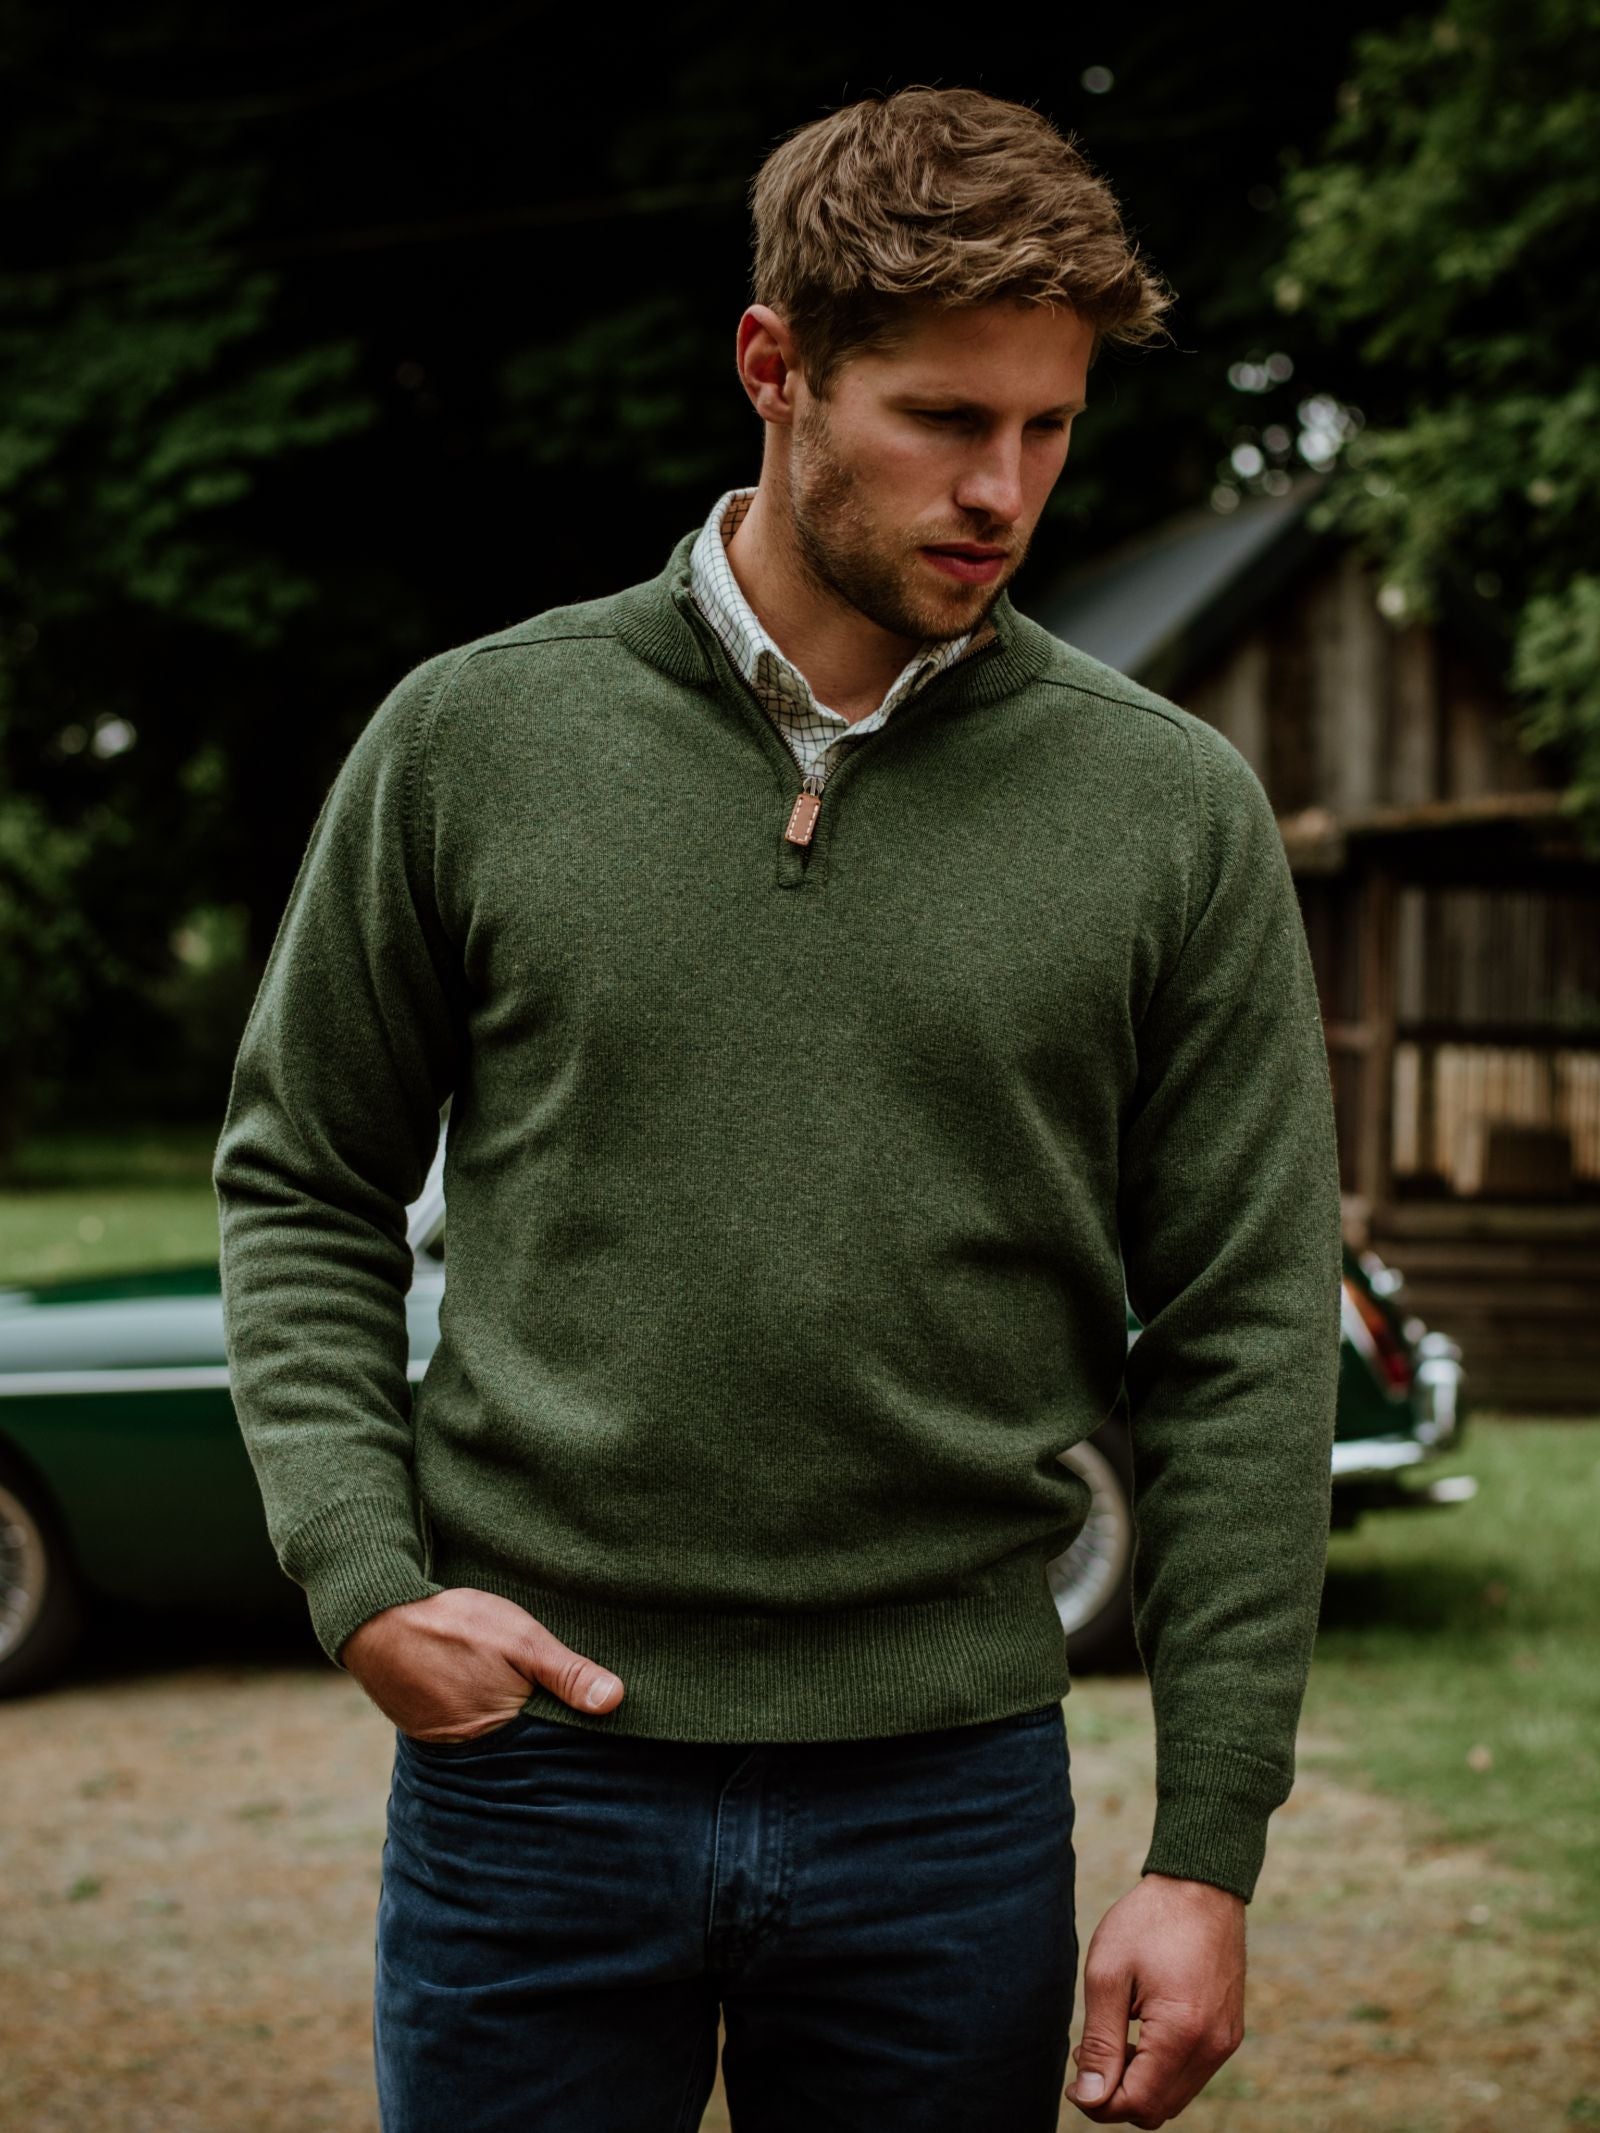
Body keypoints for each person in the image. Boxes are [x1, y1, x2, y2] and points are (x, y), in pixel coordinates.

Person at [213, 83, 1344, 2133]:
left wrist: (1204, 1841)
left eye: (1048, 429)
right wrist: (364, 1574)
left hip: (946, 1787)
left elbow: (1249, 1330)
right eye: (941, 418)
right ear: (773, 370)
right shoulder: (473, 739)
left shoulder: (1163, 810)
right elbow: (301, 1175)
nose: (1002, 490)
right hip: (532, 1773)